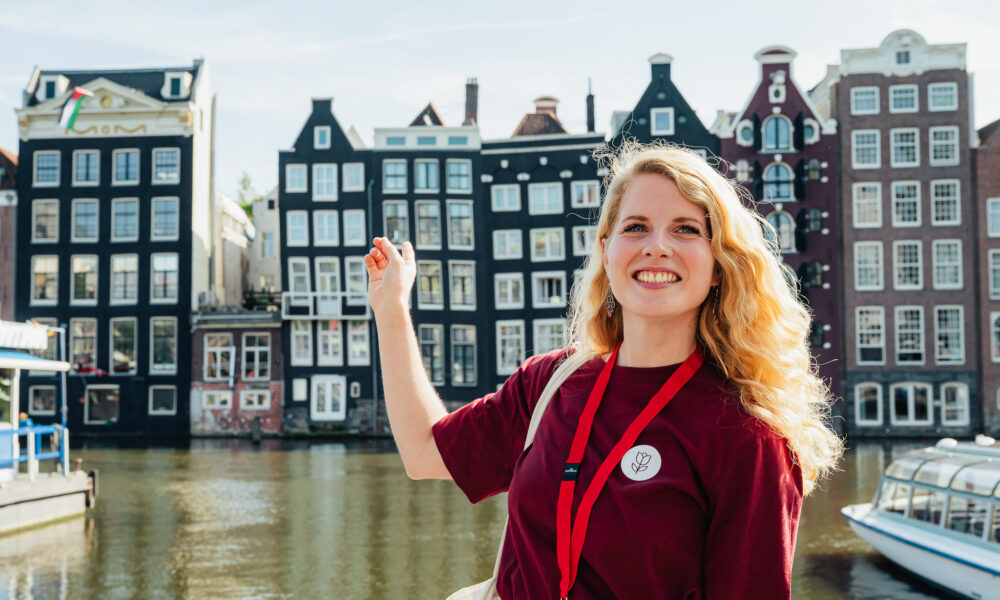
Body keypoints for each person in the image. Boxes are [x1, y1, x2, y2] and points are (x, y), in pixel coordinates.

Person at [363, 142, 843, 599]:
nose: (657, 246)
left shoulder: (747, 437)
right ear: (607, 247)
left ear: (719, 264)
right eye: (636, 226)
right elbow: (423, 452)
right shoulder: (549, 384)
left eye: (686, 229)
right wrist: (391, 309)